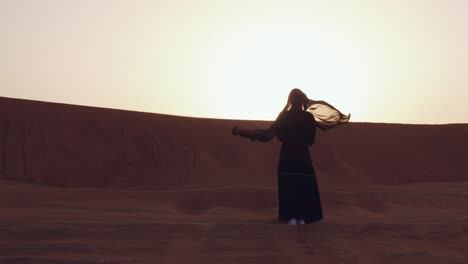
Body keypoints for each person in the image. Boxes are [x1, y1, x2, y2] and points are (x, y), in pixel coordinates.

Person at [232, 88, 350, 225]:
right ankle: (304, 217)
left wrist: (244, 133)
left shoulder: (284, 117)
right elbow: (310, 140)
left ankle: (291, 217)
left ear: (290, 101)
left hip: (287, 156)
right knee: (304, 186)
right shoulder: (308, 118)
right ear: (302, 101)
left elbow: (268, 135)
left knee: (289, 186)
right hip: (303, 157)